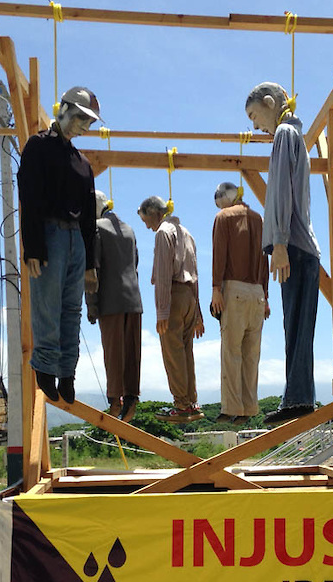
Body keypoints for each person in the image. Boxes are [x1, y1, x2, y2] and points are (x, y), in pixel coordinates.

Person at [16, 86, 101, 405]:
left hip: (76, 240)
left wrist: (91, 262)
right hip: (49, 234)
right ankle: (45, 368)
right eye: (80, 117)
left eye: (89, 122)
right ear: (62, 109)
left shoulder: (82, 162)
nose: (84, 126)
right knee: (47, 306)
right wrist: (32, 246)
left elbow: (90, 216)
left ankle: (67, 373)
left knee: (72, 310)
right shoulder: (38, 146)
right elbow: (30, 197)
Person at [245, 81, 322, 425]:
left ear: (268, 102)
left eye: (254, 115)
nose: (254, 124)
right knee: (299, 326)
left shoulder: (283, 135)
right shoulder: (297, 138)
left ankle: (300, 398)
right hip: (301, 244)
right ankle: (299, 396)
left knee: (296, 325)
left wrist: (278, 243)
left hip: (293, 244)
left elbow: (279, 192)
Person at [137, 196, 205, 423]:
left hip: (173, 296)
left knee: (172, 353)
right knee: (186, 352)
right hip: (189, 298)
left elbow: (164, 275)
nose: (147, 225)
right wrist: (198, 314)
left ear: (155, 213)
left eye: (146, 219)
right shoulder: (187, 233)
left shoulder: (163, 232)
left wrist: (162, 311)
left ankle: (181, 405)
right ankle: (192, 402)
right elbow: (195, 275)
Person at [210, 182, 270, 425]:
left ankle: (232, 407)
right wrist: (266, 297)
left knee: (231, 352)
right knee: (251, 355)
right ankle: (249, 407)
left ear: (224, 197)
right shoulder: (259, 219)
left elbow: (219, 253)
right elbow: (265, 260)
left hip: (234, 288)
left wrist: (216, 288)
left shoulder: (223, 217)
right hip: (257, 292)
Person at [86, 191, 143, 422]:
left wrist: (91, 305)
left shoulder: (95, 228)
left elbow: (92, 270)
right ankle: (131, 398)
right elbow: (136, 262)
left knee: (113, 352)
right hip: (134, 299)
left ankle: (114, 400)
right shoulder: (129, 228)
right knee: (131, 352)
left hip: (110, 299)